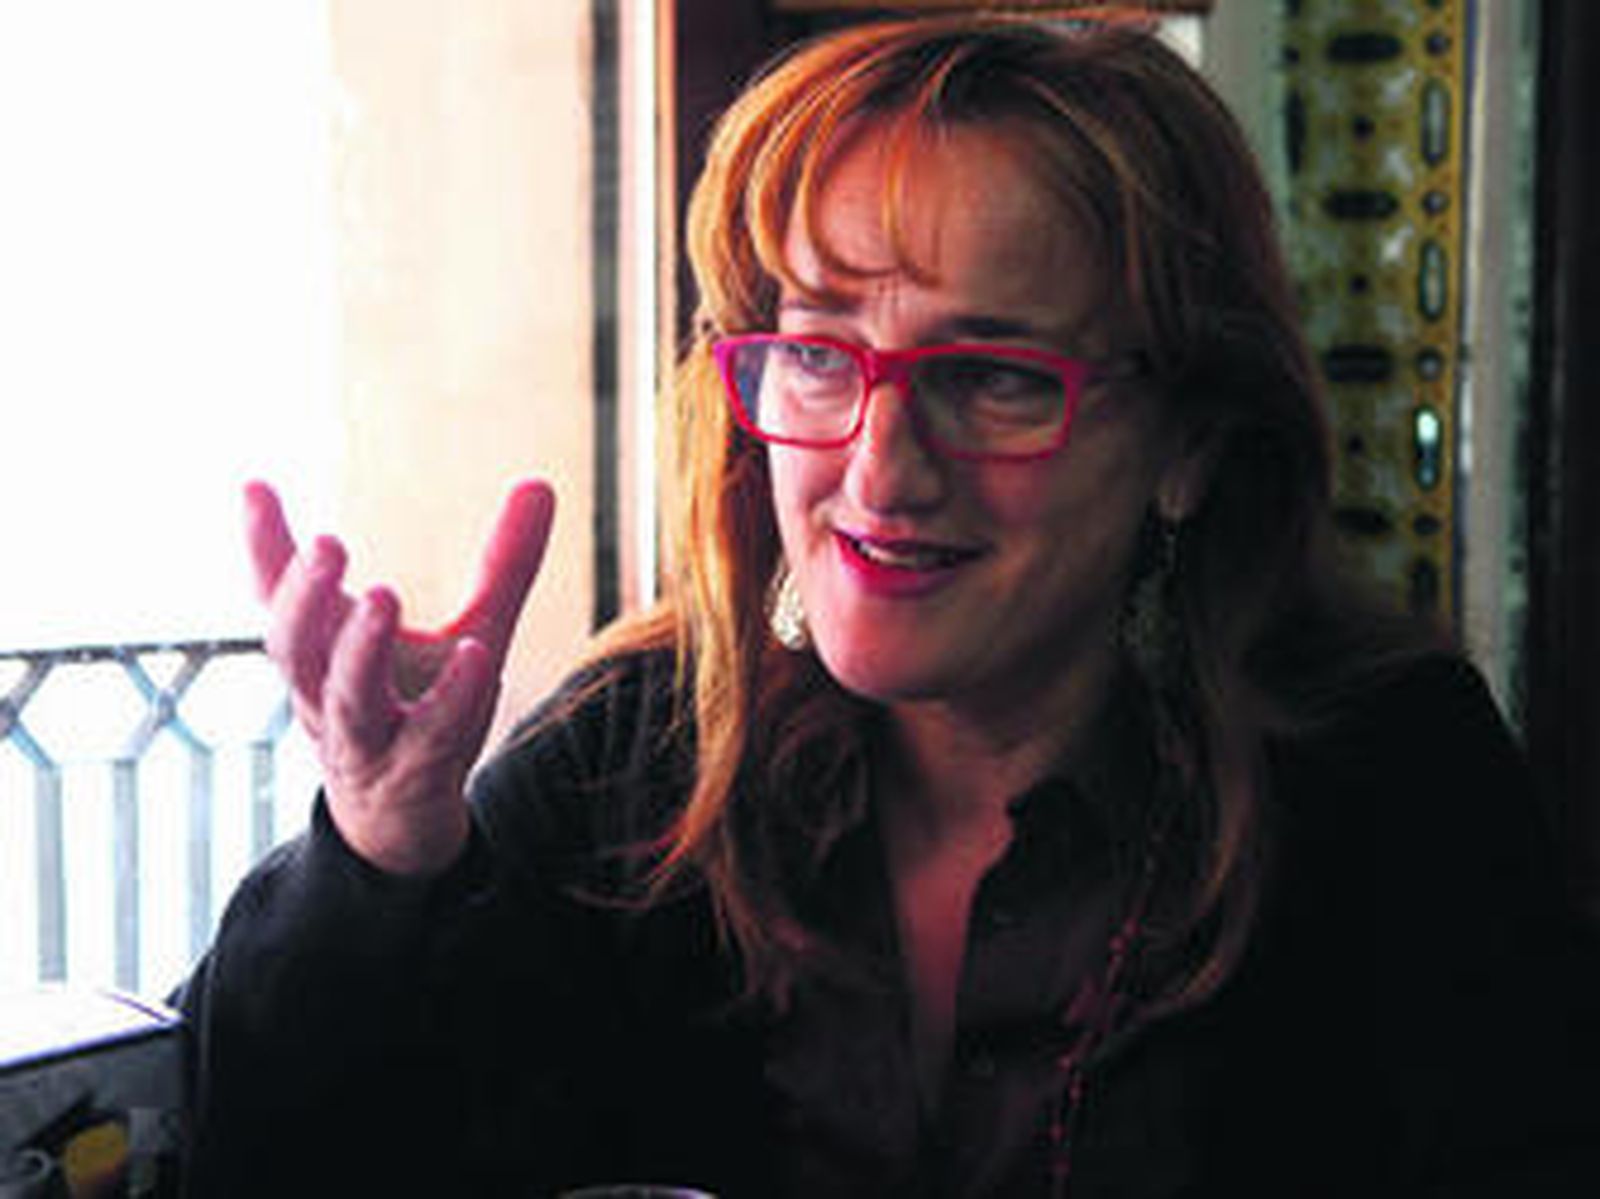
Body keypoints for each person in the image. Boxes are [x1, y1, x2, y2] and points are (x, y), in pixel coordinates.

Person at [176, 13, 1600, 1198]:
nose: (878, 468)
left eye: (993, 377)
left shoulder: (1384, 784)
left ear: (1187, 447)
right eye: (818, 354)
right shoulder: (641, 757)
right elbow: (273, 1160)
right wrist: (383, 846)